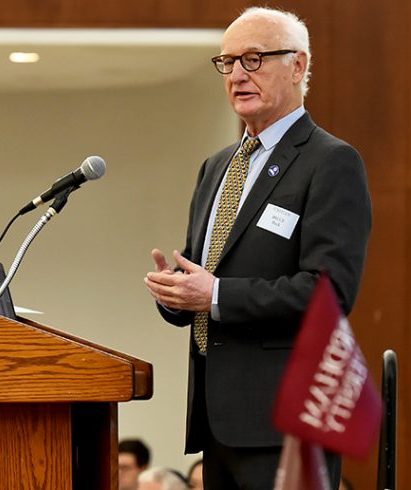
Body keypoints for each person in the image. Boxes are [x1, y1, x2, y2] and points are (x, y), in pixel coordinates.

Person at [143, 6, 371, 490]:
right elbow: (202, 276)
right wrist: (177, 294)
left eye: (254, 59)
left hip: (283, 427)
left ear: (299, 66)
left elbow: (328, 294)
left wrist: (216, 296)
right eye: (227, 63)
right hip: (214, 423)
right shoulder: (216, 166)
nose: (237, 75)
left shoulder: (330, 162)